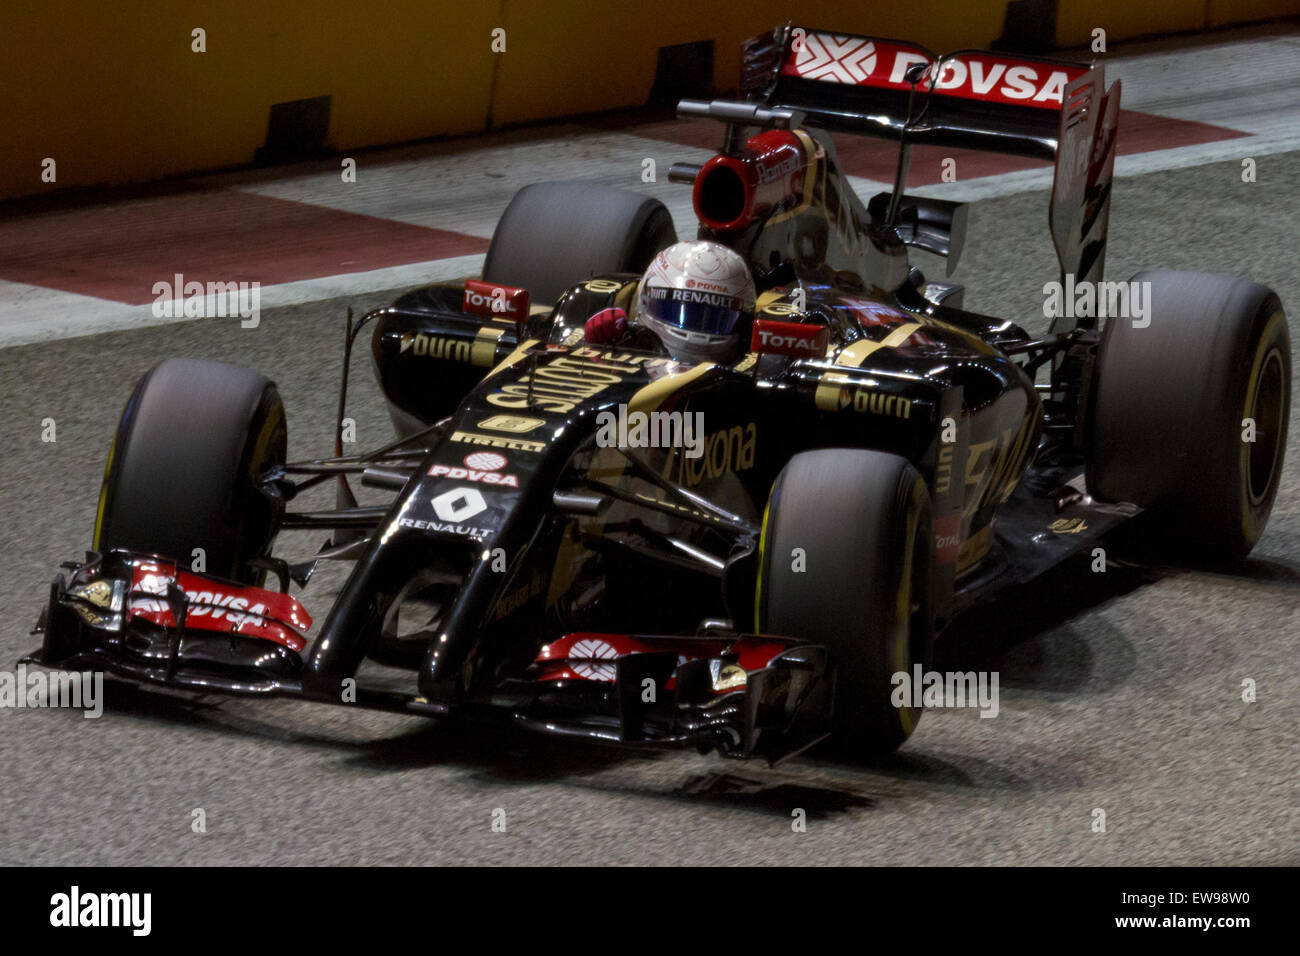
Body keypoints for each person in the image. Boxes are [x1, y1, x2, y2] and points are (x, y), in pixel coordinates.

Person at [584, 240, 757, 364]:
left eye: (714, 317)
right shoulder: (628, 343)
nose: (694, 329)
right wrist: (593, 348)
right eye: (675, 310)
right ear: (645, 301)